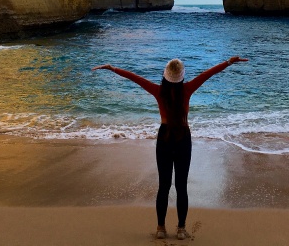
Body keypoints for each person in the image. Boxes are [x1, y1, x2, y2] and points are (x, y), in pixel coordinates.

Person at [92, 56, 248, 240]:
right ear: (181, 76)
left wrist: (113, 68)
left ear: (165, 75)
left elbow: (135, 78)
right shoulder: (187, 89)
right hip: (183, 137)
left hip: (164, 137)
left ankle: (160, 228)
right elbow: (208, 74)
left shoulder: (158, 91)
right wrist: (229, 62)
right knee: (181, 187)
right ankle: (181, 229)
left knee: (163, 186)